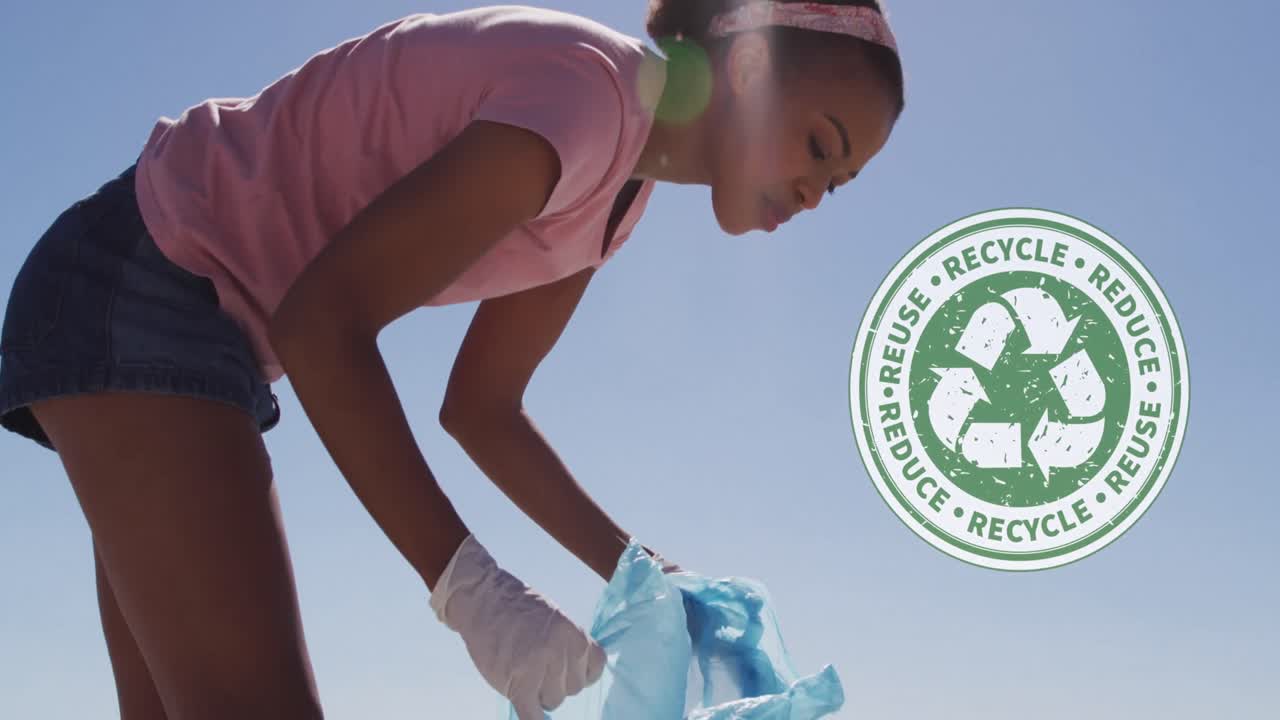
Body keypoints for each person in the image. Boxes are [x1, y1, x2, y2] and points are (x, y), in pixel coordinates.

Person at [0, 1, 904, 718]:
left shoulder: (615, 201)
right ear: (749, 65)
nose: (816, 192)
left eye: (841, 179)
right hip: (144, 276)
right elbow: (324, 322)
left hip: (199, 327)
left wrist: (653, 577)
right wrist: (474, 593)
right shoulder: (591, 99)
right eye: (820, 143)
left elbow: (484, 408)